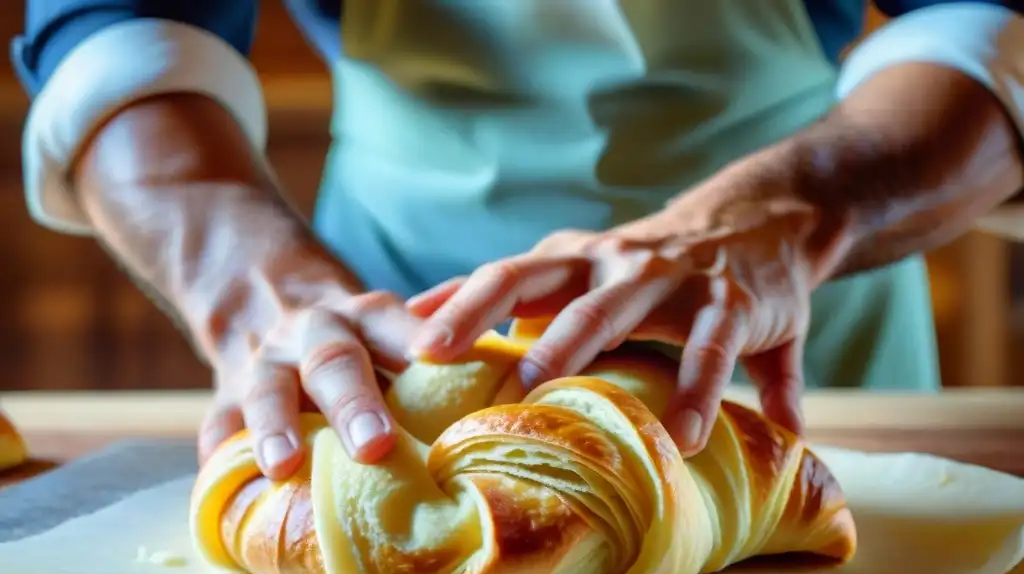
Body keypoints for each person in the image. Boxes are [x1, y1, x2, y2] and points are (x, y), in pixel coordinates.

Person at [14, 0, 1024, 481]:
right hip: (390, 323)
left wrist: (786, 217)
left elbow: (991, 23)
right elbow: (121, 35)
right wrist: (253, 291)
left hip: (784, 332)